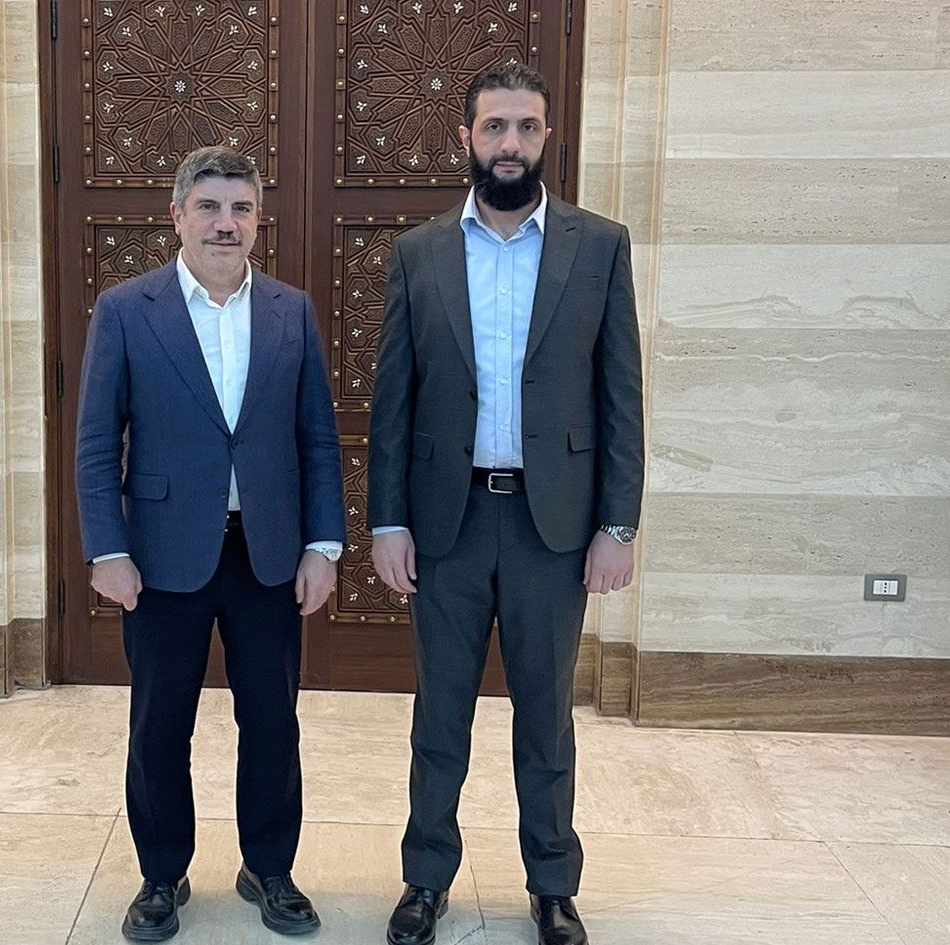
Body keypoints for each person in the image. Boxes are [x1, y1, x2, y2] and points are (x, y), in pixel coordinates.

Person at [368, 63, 644, 945]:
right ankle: (425, 879)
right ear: (467, 138)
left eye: (526, 126)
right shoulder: (418, 253)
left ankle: (553, 884)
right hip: (446, 524)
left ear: (547, 135)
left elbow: (620, 396)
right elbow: (393, 402)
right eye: (494, 127)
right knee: (439, 714)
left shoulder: (598, 246)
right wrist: (387, 520)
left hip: (550, 527)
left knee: (546, 717)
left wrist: (617, 523)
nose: (511, 143)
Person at [75, 145, 346, 942]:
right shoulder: (127, 309)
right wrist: (106, 549)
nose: (225, 223)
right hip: (161, 556)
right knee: (161, 724)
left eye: (240, 209)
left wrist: (324, 543)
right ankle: (161, 874)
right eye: (209, 207)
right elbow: (97, 441)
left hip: (267, 553)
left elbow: (317, 438)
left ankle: (270, 867)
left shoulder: (292, 310)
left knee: (273, 722)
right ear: (177, 216)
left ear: (258, 221)